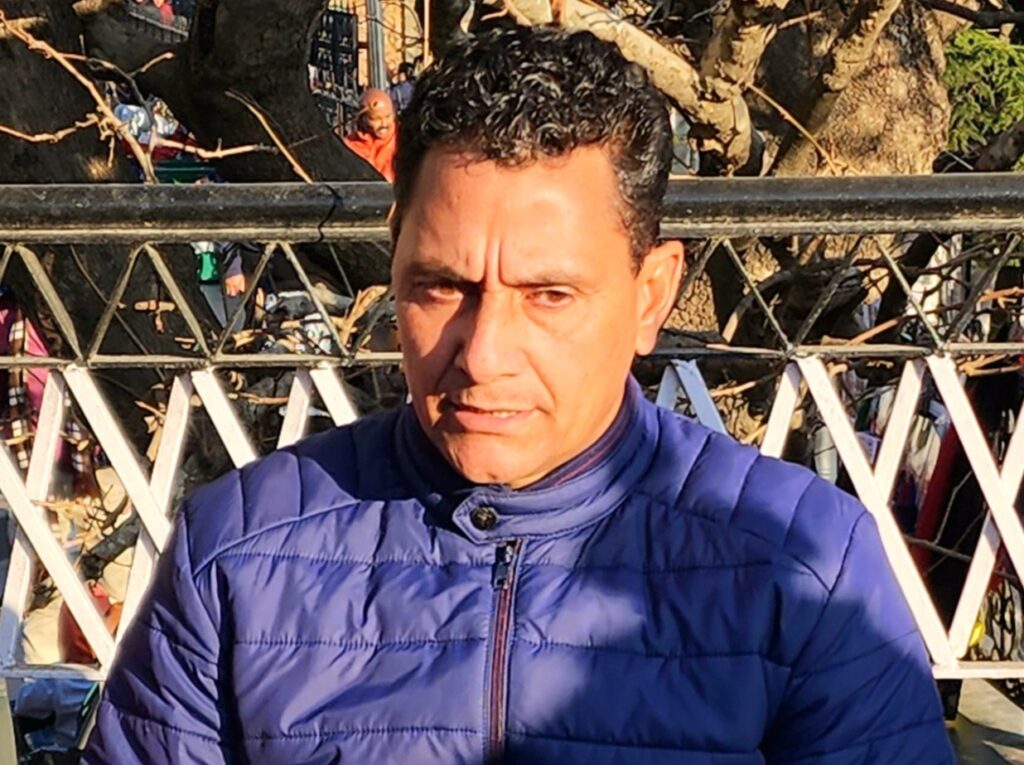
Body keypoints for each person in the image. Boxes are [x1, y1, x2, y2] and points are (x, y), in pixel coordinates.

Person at [83, 27, 953, 765]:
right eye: (441, 286)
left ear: (651, 294)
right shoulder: (237, 554)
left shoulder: (806, 566)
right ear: (393, 258)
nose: (484, 354)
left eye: (550, 295)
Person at [341, 87, 397, 182]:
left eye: (388, 117)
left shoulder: (404, 141)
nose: (384, 124)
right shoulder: (348, 146)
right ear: (363, 119)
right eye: (376, 119)